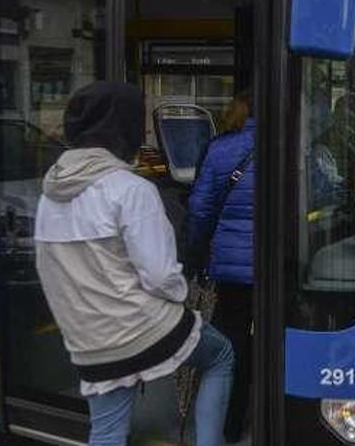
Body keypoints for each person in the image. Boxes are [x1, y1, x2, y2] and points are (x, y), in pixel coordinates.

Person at [34, 81, 233, 446]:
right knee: (220, 355)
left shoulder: (49, 195)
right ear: (121, 129)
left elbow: (48, 271)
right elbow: (160, 276)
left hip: (89, 342)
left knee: (107, 431)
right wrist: (183, 293)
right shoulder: (130, 190)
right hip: (143, 330)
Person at [188, 90, 256, 444]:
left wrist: (196, 256)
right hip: (285, 268)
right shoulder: (296, 144)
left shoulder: (220, 148)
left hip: (231, 269)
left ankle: (230, 425)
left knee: (232, 343)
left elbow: (200, 211)